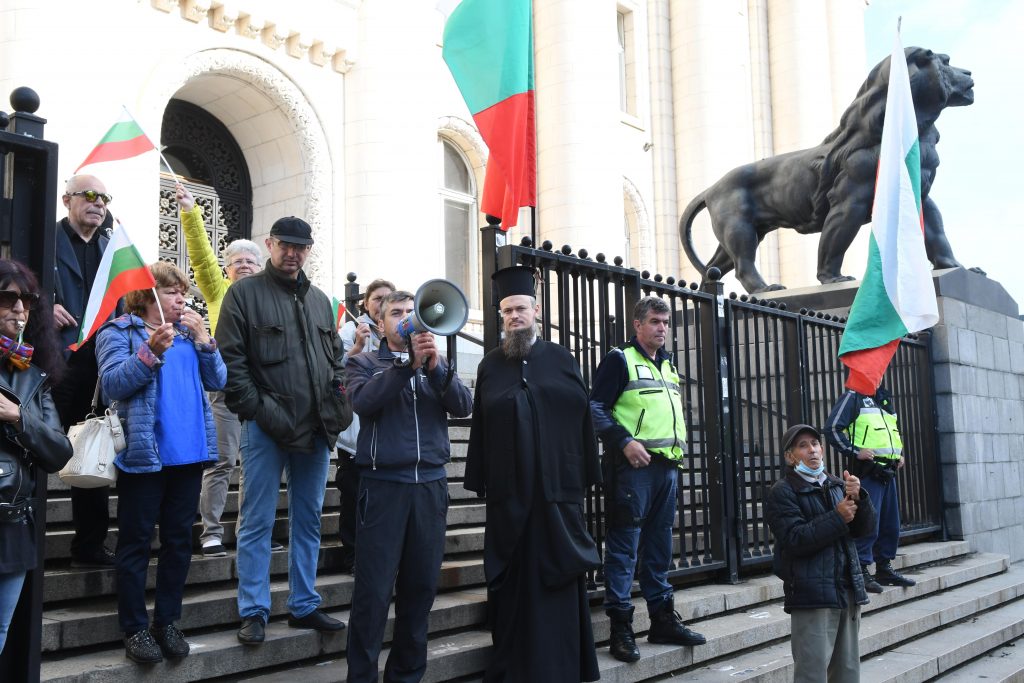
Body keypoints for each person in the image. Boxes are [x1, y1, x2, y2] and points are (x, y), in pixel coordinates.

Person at [217, 216, 352, 645]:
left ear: (308, 250)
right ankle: (254, 610)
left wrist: (338, 404)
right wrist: (261, 411)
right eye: (285, 245)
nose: (292, 253)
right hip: (265, 428)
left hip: (315, 428)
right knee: (255, 520)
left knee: (309, 518)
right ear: (269, 244)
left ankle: (303, 603)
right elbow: (231, 364)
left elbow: (335, 359)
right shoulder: (243, 294)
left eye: (301, 246)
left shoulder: (319, 301)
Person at [465, 266, 601, 682]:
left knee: (557, 576)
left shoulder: (561, 359)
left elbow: (581, 419)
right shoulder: (491, 366)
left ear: (536, 310)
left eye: (520, 309)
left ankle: (561, 666)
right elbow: (481, 425)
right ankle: (514, 666)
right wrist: (481, 478)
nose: (513, 317)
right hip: (510, 497)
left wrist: (583, 473)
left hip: (556, 494)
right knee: (513, 582)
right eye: (506, 311)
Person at [95, 262, 226, 663]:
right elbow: (113, 384)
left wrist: (206, 341)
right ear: (146, 295)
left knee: (177, 544)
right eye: (171, 291)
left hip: (189, 457)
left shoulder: (189, 334)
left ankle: (166, 621)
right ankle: (134, 628)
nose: (181, 298)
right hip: (144, 457)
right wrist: (149, 353)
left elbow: (219, 380)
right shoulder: (119, 331)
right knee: (135, 544)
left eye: (182, 292)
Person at [345, 289, 472, 683]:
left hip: (430, 489)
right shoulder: (364, 363)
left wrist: (434, 368)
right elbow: (364, 403)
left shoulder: (436, 364)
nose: (406, 317)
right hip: (384, 489)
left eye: (410, 310)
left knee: (419, 593)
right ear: (381, 323)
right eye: (396, 312)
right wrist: (404, 368)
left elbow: (464, 405)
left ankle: (406, 676)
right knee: (374, 594)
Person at [590, 295, 706, 663]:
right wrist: (624, 442)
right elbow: (594, 408)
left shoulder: (667, 365)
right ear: (637, 325)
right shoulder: (619, 359)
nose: (662, 328)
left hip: (666, 469)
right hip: (633, 471)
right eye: (655, 321)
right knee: (624, 549)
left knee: (658, 548)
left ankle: (661, 619)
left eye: (666, 322)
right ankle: (621, 629)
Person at [175, 183, 269, 558]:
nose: (244, 265)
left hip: (265, 393)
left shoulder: (271, 296)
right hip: (226, 389)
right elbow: (199, 253)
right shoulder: (218, 292)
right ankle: (211, 531)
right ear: (226, 270)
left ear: (261, 268)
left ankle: (251, 530)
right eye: (237, 262)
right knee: (221, 461)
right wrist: (189, 211)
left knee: (259, 465)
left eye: (251, 261)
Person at [0, 260, 73, 659]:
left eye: (26, 300)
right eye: (7, 298)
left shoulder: (32, 375)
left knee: (0, 630)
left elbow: (59, 451)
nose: (19, 309)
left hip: (12, 521)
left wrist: (17, 417)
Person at [765, 424, 876, 683]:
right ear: (791, 456)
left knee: (847, 673)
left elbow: (864, 529)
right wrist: (837, 518)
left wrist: (860, 498)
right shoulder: (782, 491)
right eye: (803, 446)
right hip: (812, 596)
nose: (812, 451)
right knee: (811, 674)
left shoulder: (837, 484)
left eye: (815, 444)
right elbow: (794, 539)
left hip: (846, 591)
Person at [52, 174, 116, 568]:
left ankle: (89, 547)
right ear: (66, 200)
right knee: (35, 445)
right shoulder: (47, 236)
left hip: (100, 365)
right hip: (56, 361)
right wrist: (43, 305)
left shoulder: (113, 247)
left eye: (104, 198)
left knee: (94, 452)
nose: (98, 203)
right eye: (89, 195)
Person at [825, 384, 916, 592]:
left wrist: (898, 453)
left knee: (890, 523)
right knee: (867, 522)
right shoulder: (853, 396)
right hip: (867, 471)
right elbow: (832, 429)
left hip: (888, 471)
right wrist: (854, 451)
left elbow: (891, 431)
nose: (879, 373)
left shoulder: (883, 398)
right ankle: (861, 570)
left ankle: (884, 567)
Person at [334, 278, 394, 574]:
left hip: (385, 436)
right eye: (377, 298)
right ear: (365, 304)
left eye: (388, 299)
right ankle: (354, 555)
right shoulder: (349, 330)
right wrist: (359, 344)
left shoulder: (398, 330)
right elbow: (336, 369)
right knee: (353, 499)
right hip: (354, 436)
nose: (383, 303)